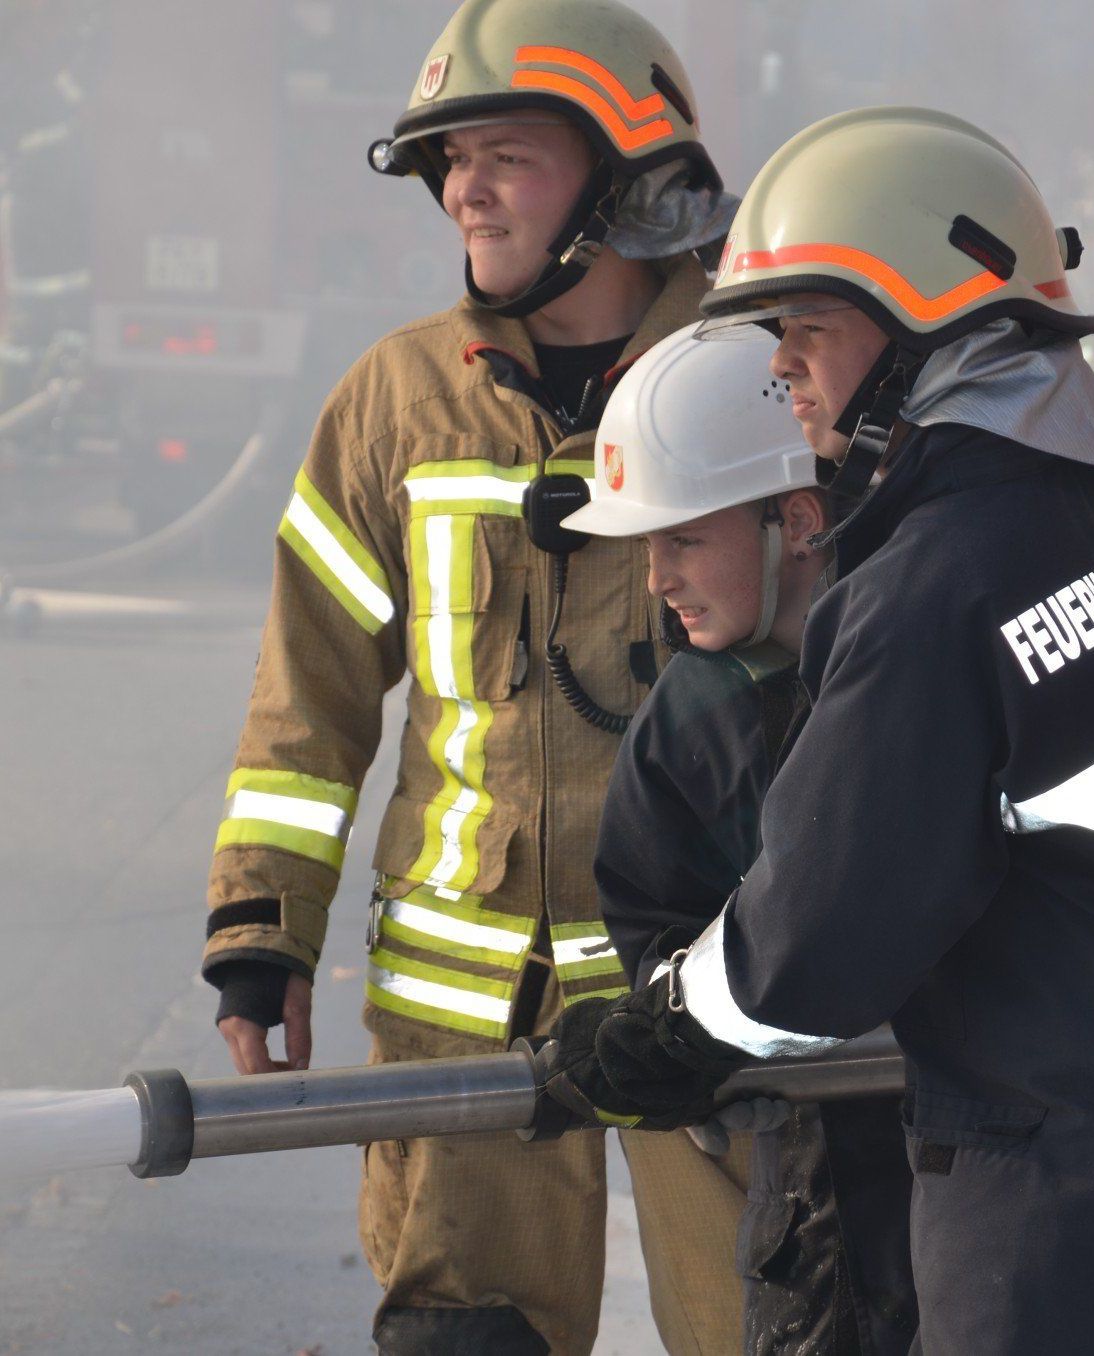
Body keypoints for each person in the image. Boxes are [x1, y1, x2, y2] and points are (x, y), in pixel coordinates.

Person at [545, 106, 1094, 1354]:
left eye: (804, 329)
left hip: (1073, 1176)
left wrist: (662, 1036)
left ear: (929, 321)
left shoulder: (932, 582)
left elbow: (822, 929)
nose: (783, 372)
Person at [199, 4, 751, 1352]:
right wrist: (263, 925)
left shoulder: (756, 380)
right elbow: (307, 701)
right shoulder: (395, 403)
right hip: (466, 1009)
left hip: (717, 990)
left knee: (776, 1325)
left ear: (626, 177)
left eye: (507, 153)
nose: (465, 190)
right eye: (450, 160)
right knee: (467, 1340)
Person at [563, 323, 920, 1354]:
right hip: (810, 1184)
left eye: (681, 539)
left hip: (963, 1169)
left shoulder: (916, 654)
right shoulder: (693, 714)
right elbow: (650, 917)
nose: (656, 579)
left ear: (796, 520)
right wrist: (685, 1030)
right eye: (646, 547)